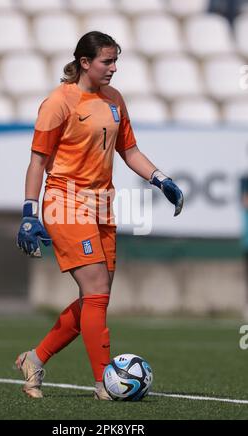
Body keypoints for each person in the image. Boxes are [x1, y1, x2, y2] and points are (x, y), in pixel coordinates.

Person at [16, 31, 183, 400]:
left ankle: (35, 358)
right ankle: (103, 382)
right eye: (107, 61)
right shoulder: (58, 101)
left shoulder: (114, 100)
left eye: (115, 61)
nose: (113, 68)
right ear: (85, 62)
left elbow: (130, 150)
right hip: (65, 200)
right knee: (95, 293)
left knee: (98, 296)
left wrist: (161, 178)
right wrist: (29, 211)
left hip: (103, 203)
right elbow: (37, 162)